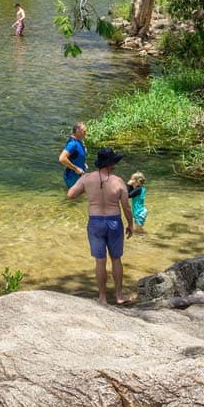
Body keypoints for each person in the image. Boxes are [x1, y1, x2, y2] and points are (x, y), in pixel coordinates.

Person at [66, 147, 134, 305]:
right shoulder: (118, 181)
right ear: (111, 164)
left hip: (95, 222)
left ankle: (102, 298)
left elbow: (70, 195)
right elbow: (126, 206)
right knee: (116, 259)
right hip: (114, 221)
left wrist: (87, 190)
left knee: (100, 261)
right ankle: (118, 296)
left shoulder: (87, 178)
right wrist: (130, 224)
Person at [58, 122, 88, 189]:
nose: (86, 133)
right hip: (72, 177)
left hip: (78, 176)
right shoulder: (73, 144)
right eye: (84, 131)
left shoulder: (79, 141)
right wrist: (76, 168)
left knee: (79, 198)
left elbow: (76, 156)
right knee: (74, 198)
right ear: (77, 131)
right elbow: (62, 158)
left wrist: (83, 164)